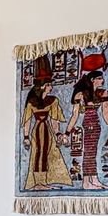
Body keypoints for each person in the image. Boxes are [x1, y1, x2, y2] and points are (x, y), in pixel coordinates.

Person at [65, 54, 108, 189]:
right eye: (99, 79)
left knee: (91, 152)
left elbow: (106, 111)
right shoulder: (81, 94)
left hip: (96, 123)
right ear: (93, 80)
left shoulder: (102, 93)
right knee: (89, 152)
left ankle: (92, 180)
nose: (102, 81)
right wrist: (67, 132)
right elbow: (75, 115)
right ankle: (87, 182)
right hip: (88, 123)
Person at [21, 55, 71, 190]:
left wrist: (58, 134)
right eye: (48, 85)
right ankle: (39, 183)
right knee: (39, 154)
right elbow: (27, 120)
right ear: (42, 86)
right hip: (37, 130)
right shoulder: (32, 102)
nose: (50, 87)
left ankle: (44, 182)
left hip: (47, 129)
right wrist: (26, 137)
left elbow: (54, 119)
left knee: (46, 153)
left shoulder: (53, 101)